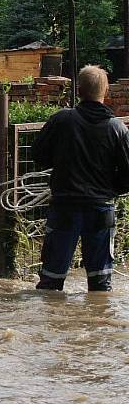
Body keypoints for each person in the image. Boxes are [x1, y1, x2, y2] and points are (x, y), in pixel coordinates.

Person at [32, 65, 129, 292]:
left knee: (51, 280)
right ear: (105, 92)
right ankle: (99, 323)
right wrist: (111, 189)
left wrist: (61, 165)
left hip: (64, 206)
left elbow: (38, 155)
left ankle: (46, 324)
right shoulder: (117, 128)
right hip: (101, 209)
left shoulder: (62, 120)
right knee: (100, 284)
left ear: (79, 91)